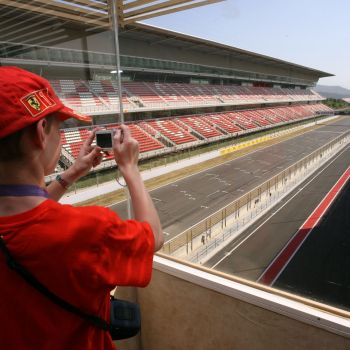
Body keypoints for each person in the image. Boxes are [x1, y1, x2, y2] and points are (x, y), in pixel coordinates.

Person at [0, 66, 164, 350]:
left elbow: (26, 218)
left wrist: (72, 173)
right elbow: (153, 238)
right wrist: (131, 169)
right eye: (59, 127)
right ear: (41, 133)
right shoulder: (88, 230)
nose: (61, 136)